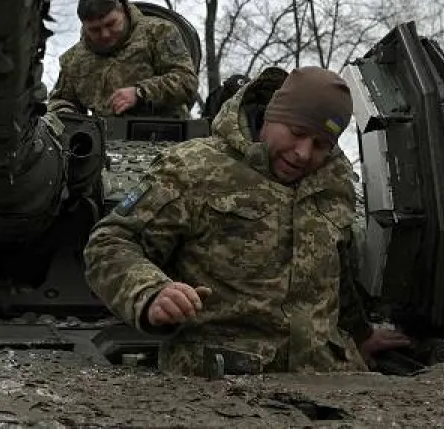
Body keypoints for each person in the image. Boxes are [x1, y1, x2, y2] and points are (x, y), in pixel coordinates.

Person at [82, 65, 413, 376]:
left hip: (327, 380)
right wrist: (151, 292)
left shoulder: (334, 181)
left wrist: (361, 333)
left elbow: (334, 272)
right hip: (219, 384)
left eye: (321, 144)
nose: (303, 153)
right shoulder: (192, 168)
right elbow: (111, 242)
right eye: (297, 132)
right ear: (271, 114)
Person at [45, 0, 199, 118]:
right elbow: (61, 101)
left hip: (167, 135)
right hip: (104, 140)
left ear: (122, 12)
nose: (105, 34)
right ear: (84, 27)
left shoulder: (158, 32)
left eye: (111, 24)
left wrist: (140, 93)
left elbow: (187, 82)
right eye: (95, 30)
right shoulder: (74, 60)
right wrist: (66, 115)